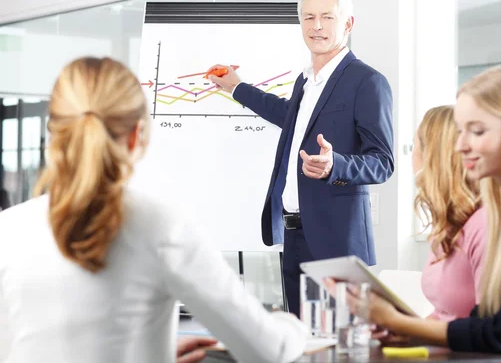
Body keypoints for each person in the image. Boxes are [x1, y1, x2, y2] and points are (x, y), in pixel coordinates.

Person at [0, 57, 308, 363]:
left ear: (52, 135)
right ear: (136, 135)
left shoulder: (8, 229)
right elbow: (271, 351)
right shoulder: (161, 227)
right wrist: (293, 325)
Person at [344, 65, 501, 362]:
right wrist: (409, 331)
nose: (461, 145)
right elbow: (484, 323)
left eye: (476, 131)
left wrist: (398, 321)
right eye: (461, 131)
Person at [208, 0, 394, 317]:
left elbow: (383, 162)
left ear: (348, 24)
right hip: (294, 233)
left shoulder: (367, 81)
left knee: (338, 344)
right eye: (309, 17)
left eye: (327, 17)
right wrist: (237, 87)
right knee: (301, 339)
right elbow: (286, 116)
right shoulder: (305, 82)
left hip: (337, 240)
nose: (317, 26)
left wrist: (334, 164)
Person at [414, 105, 485, 321]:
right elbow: (442, 314)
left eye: (415, 145)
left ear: (431, 155)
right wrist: (401, 330)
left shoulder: (483, 224)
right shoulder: (446, 224)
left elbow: (491, 331)